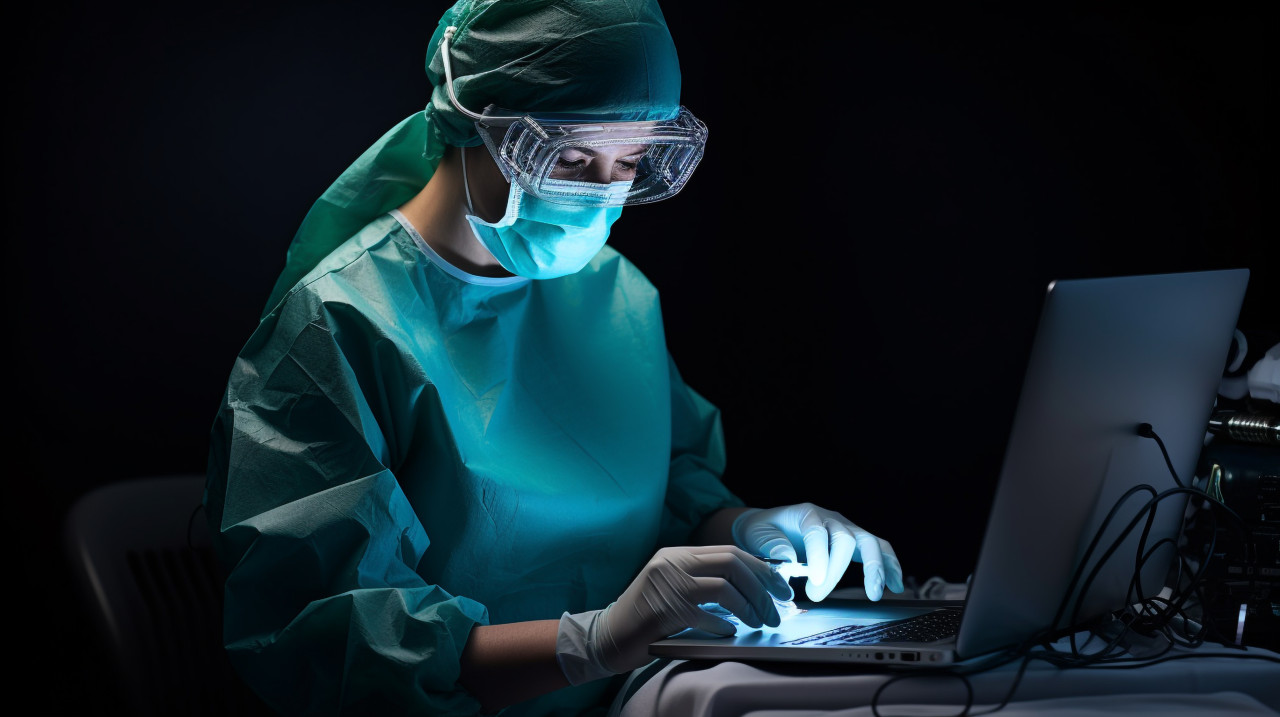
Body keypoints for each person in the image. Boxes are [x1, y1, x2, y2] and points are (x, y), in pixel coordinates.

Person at [203, 1, 905, 715]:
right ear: (475, 117)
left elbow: (667, 491)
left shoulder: (614, 295)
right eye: (569, 157)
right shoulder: (339, 327)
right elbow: (340, 641)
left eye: (629, 162)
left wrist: (747, 528)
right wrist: (592, 643)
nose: (601, 194)